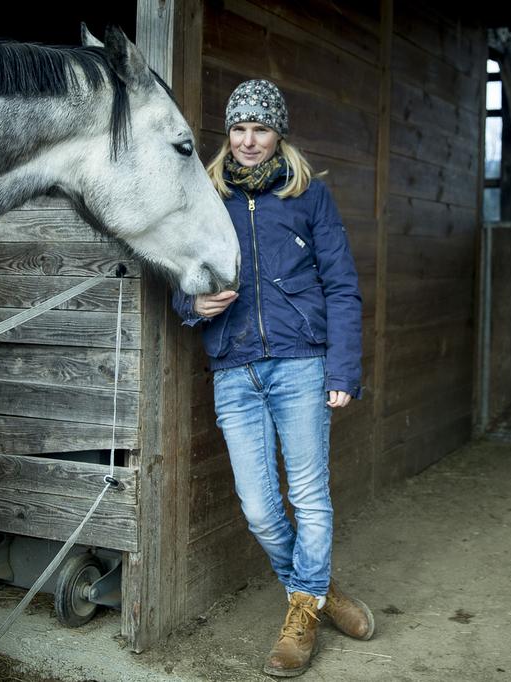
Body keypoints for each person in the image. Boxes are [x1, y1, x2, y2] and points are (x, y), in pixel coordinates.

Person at [171, 79, 373, 678]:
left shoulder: (309, 197)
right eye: (239, 128)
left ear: (278, 132)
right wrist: (191, 306)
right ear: (227, 133)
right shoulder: (204, 196)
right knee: (260, 509)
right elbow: (178, 269)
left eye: (260, 128)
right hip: (233, 368)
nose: (249, 140)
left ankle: (300, 618)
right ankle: (318, 594)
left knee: (309, 496)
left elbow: (341, 286)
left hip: (301, 366)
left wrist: (342, 370)